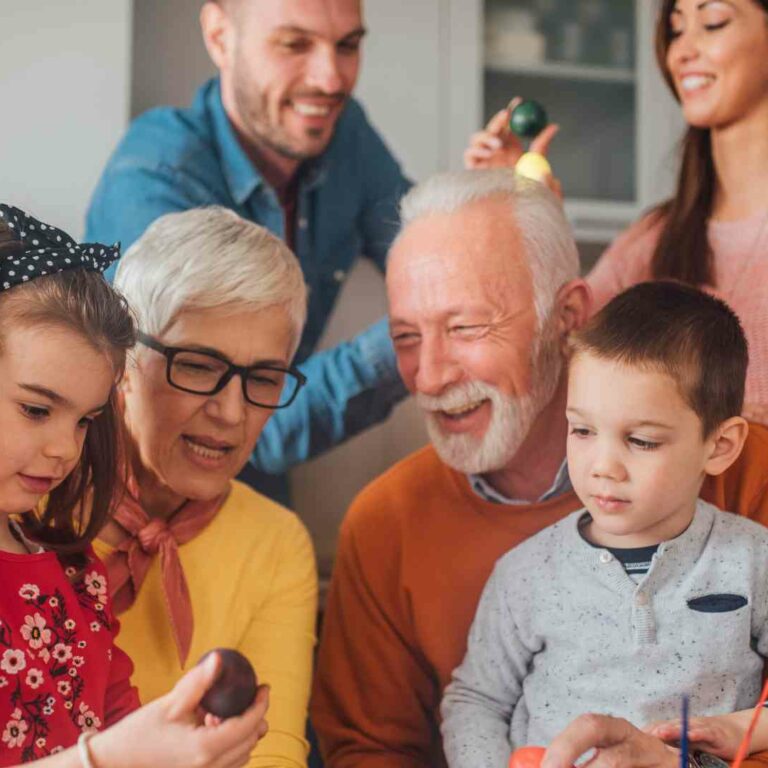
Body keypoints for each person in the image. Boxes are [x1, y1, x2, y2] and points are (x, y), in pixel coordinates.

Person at [310, 169, 768, 768]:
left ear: (568, 316)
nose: (430, 375)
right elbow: (370, 753)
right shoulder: (384, 524)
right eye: (406, 337)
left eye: (466, 327)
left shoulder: (746, 472)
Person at [85, 0, 411, 497]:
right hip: (126, 500)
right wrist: (420, 337)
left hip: (251, 495)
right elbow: (246, 425)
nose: (330, 81)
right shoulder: (155, 175)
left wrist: (484, 216)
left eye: (347, 45)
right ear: (219, 37)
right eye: (294, 44)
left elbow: (421, 244)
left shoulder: (347, 136)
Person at [441, 281, 768, 767]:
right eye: (583, 431)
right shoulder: (526, 573)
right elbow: (475, 702)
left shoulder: (754, 560)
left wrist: (738, 728)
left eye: (640, 441)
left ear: (719, 447)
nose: (602, 466)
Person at [0, 204, 268, 767]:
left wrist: (187, 740)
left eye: (83, 420)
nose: (64, 448)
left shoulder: (77, 577)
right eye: (35, 408)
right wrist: (103, 760)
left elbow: (121, 723)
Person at [465, 0, 768, 424]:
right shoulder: (656, 237)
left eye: (713, 22)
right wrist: (528, 218)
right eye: (677, 31)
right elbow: (561, 347)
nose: (680, 52)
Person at [92, 207, 317, 768]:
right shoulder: (28, 496)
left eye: (263, 378)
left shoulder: (277, 543)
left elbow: (275, 755)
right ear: (122, 360)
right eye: (196, 366)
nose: (230, 412)